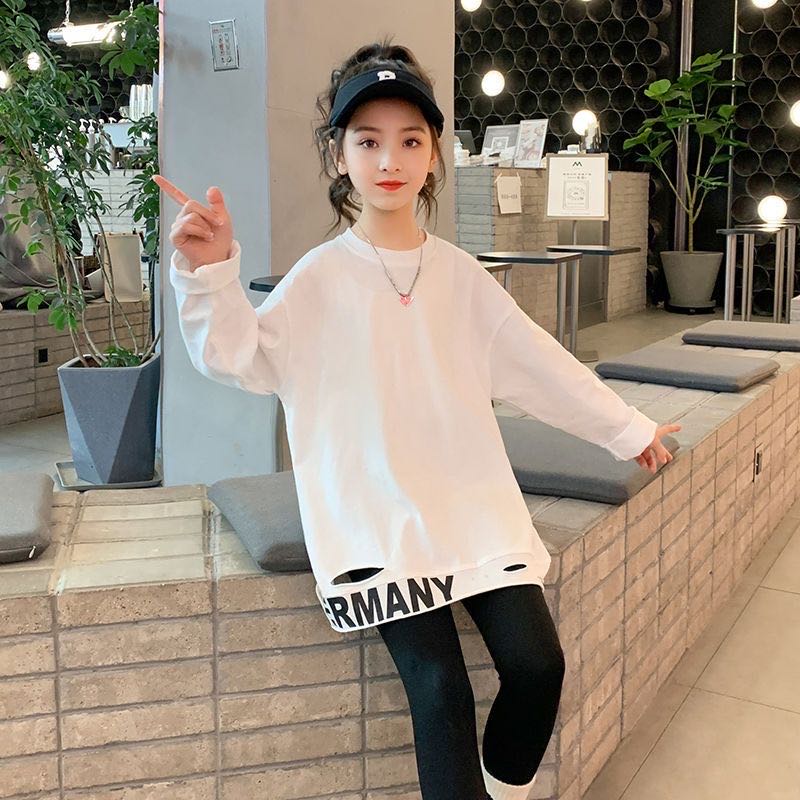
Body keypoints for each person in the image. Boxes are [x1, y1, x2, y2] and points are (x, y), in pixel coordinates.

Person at [156, 40, 679, 800]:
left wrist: (629, 430)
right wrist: (211, 273)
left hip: (470, 505)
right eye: (367, 141)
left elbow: (541, 366)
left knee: (538, 666)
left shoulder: (462, 277)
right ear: (339, 156)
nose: (389, 160)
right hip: (373, 516)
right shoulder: (319, 278)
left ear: (435, 154)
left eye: (410, 140)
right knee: (441, 691)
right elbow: (242, 358)